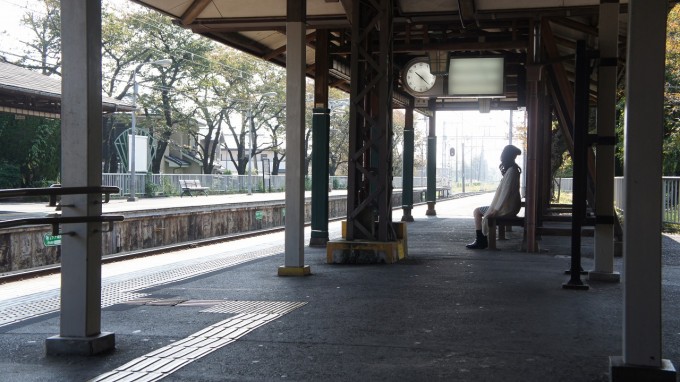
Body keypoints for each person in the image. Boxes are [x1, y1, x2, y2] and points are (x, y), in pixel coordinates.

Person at [466, 145, 522, 249]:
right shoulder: (514, 170)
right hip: (511, 206)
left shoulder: (511, 171)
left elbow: (505, 192)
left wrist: (496, 210)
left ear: (505, 156)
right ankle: (480, 240)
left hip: (506, 208)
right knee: (479, 211)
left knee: (477, 211)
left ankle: (480, 241)